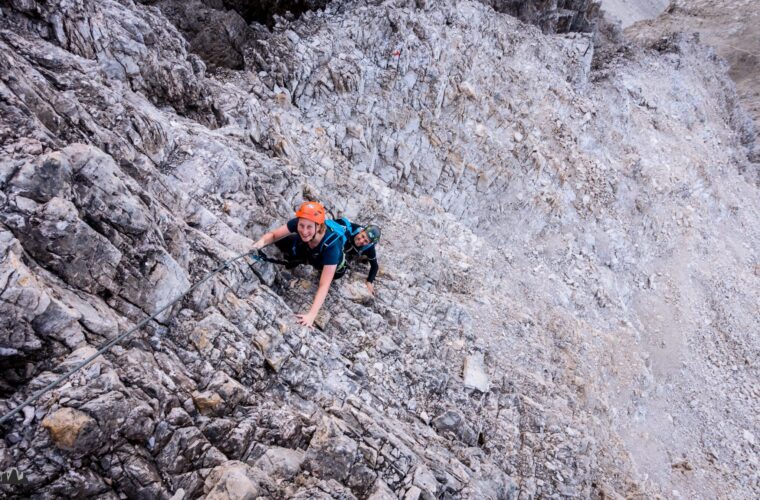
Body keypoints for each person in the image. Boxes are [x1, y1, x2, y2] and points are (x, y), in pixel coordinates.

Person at [251, 201, 345, 327]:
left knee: (322, 272)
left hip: (331, 265)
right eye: (302, 225)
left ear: (319, 226)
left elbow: (324, 285)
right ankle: (299, 259)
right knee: (285, 241)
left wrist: (311, 315)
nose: (304, 231)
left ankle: (302, 260)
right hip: (310, 251)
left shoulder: (331, 247)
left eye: (309, 227)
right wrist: (260, 242)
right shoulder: (300, 223)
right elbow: (274, 235)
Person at [331, 219, 381, 295]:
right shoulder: (351, 228)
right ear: (361, 231)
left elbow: (375, 266)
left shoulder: (369, 248)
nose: (361, 241)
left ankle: (362, 258)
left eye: (366, 241)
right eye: (362, 236)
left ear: (369, 243)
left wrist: (369, 282)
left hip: (349, 253)